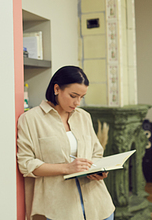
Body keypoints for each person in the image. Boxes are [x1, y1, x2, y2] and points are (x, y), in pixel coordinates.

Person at [17, 66, 115, 220]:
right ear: (57, 89)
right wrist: (67, 168)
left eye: (82, 96)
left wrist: (98, 170)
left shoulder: (84, 117)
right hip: (59, 209)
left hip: (98, 206)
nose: (77, 102)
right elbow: (26, 164)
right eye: (73, 95)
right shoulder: (31, 119)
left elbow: (96, 152)